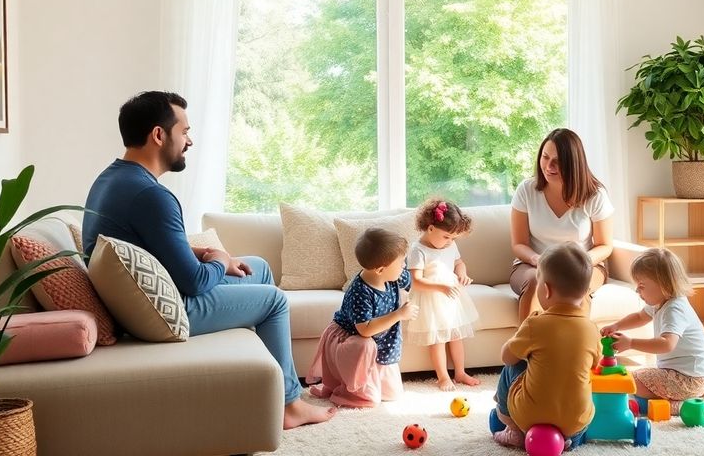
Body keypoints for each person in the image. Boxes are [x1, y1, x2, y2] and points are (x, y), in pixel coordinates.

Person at [82, 91, 335, 428]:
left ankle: (257, 383)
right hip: (163, 313)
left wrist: (208, 255)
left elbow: (153, 247)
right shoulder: (152, 196)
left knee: (257, 266)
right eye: (184, 131)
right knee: (273, 301)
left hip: (146, 299)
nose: (189, 141)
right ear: (158, 135)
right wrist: (217, 260)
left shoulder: (112, 179)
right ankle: (289, 405)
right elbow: (195, 282)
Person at [492, 242, 601, 450]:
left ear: (546, 289)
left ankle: (513, 428)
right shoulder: (592, 328)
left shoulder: (535, 323)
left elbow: (507, 357)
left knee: (512, 368)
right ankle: (570, 440)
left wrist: (514, 345)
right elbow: (595, 363)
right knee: (583, 379)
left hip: (529, 416)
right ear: (586, 291)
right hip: (574, 422)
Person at [307, 228, 419, 407]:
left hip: (381, 344)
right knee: (369, 399)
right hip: (353, 344)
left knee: (392, 395)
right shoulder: (360, 291)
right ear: (381, 270)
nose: (404, 266)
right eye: (400, 264)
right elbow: (365, 330)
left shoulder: (394, 276)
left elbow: (411, 284)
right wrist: (398, 314)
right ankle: (344, 390)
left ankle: (369, 379)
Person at [510, 128, 614, 322]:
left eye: (557, 161)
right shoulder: (527, 190)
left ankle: (577, 351)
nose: (549, 166)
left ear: (573, 164)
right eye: (545, 157)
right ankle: (526, 349)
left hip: (583, 265)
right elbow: (518, 244)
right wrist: (537, 260)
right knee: (535, 281)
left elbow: (605, 245)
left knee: (577, 287)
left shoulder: (595, 195)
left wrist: (578, 263)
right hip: (532, 265)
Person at [601, 248, 704, 415]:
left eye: (641, 286)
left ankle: (683, 404)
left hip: (690, 379)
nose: (637, 290)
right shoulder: (660, 301)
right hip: (681, 375)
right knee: (633, 381)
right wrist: (617, 326)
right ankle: (693, 398)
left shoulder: (675, 308)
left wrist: (631, 343)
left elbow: (667, 344)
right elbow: (640, 317)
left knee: (631, 381)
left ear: (664, 284)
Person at [406, 199, 480, 391]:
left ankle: (460, 372)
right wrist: (442, 288)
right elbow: (416, 281)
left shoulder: (449, 245)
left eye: (453, 238)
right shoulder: (418, 250)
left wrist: (462, 274)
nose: (450, 241)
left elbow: (459, 263)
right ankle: (443, 376)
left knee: (456, 336)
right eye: (447, 237)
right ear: (430, 228)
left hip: (452, 298)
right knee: (438, 339)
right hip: (431, 297)